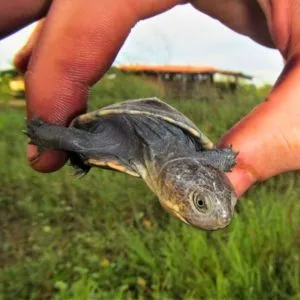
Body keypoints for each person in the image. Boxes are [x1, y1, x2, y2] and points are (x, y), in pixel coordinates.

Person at [1, 0, 300, 197]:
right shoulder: (189, 158)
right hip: (122, 131)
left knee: (80, 146)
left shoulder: (190, 163)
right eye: (199, 203)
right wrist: (43, 133)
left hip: (151, 147)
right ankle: (42, 132)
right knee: (80, 143)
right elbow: (225, 158)